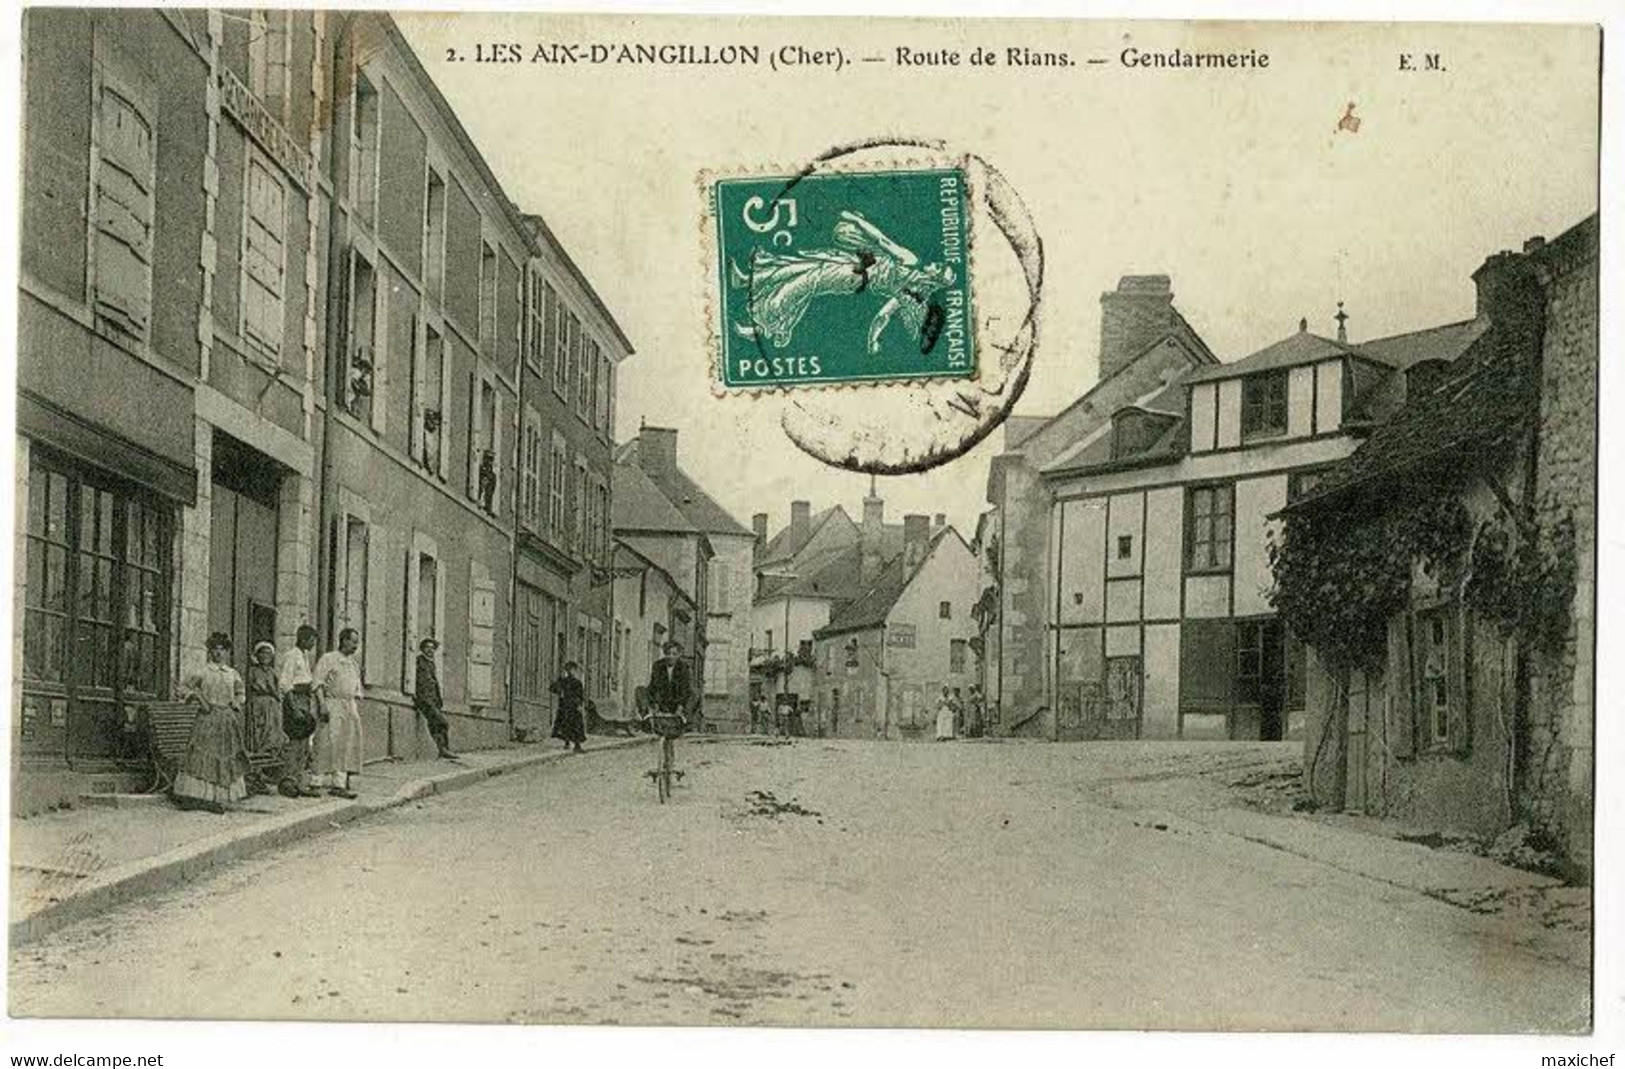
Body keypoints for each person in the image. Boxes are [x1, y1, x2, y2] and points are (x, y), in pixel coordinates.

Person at [172, 632, 251, 813]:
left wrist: (236, 703)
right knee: (205, 753)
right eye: (214, 649)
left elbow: (241, 692)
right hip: (207, 719)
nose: (218, 653)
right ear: (209, 651)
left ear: (227, 652)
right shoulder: (203, 671)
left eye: (222, 649)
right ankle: (201, 796)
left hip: (227, 720)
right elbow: (183, 688)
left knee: (224, 754)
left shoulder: (232, 674)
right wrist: (198, 698)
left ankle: (220, 796)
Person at [312, 628, 365, 799]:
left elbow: (355, 688)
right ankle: (316, 781)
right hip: (332, 703)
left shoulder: (353, 664)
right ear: (343, 641)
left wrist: (353, 707)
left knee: (346, 744)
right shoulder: (329, 659)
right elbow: (318, 683)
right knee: (326, 740)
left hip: (349, 705)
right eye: (353, 641)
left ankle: (339, 783)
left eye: (357, 642)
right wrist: (322, 705)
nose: (356, 645)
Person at [277, 625, 322, 798]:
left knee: (304, 743)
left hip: (304, 699)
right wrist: (294, 708)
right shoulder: (292, 656)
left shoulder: (304, 656)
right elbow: (285, 684)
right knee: (295, 742)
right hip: (294, 699)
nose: (313, 644)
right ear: (303, 639)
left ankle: (298, 781)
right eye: (311, 641)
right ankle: (287, 781)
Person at [243, 641, 283, 795]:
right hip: (257, 706)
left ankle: (265, 772)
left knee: (271, 739)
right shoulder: (253, 671)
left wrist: (272, 692)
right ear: (257, 655)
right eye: (262, 653)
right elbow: (253, 688)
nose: (265, 656)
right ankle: (255, 776)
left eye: (268, 654)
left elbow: (276, 691)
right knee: (257, 739)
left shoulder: (272, 672)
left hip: (271, 708)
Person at [413, 637, 457, 759]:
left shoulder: (431, 664)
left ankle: (443, 750)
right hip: (424, 700)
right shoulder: (419, 661)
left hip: (433, 700)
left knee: (434, 725)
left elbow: (435, 683)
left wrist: (438, 700)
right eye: (427, 647)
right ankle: (443, 749)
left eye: (433, 648)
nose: (430, 650)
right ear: (422, 649)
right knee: (443, 722)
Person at [647, 641, 693, 722]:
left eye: (674, 654)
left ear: (679, 655)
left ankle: (684, 718)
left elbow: (685, 690)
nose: (670, 657)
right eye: (668, 653)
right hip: (662, 701)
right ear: (665, 654)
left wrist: (680, 707)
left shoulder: (684, 668)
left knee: (694, 693)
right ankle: (647, 716)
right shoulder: (658, 666)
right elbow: (654, 686)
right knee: (640, 690)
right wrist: (655, 704)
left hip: (676, 702)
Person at [549, 660, 586, 753]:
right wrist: (557, 684)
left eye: (573, 670)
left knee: (576, 725)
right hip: (565, 706)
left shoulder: (577, 683)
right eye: (569, 669)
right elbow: (553, 689)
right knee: (565, 724)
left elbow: (580, 695)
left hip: (573, 706)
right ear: (567, 670)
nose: (571, 671)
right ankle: (567, 742)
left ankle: (577, 745)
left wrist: (579, 704)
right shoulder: (563, 681)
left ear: (575, 671)